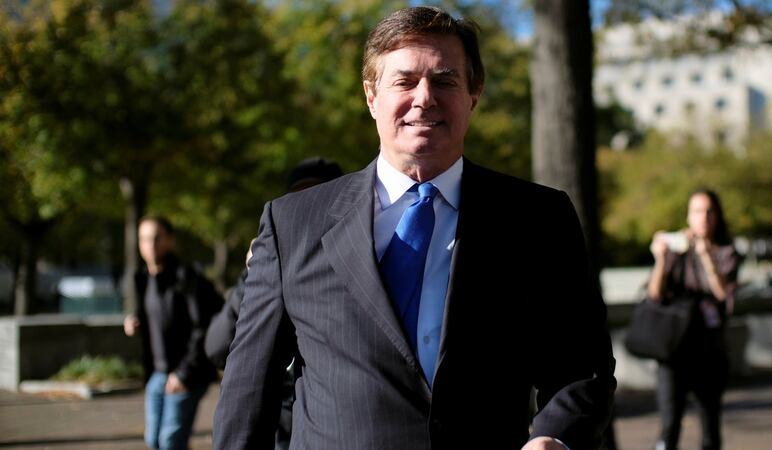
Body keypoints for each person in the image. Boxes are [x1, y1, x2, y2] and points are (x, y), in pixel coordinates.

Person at [213, 6, 615, 450]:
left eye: (444, 81)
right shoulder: (293, 224)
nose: (424, 98)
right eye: (404, 81)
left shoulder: (539, 219)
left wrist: (555, 437)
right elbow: (250, 390)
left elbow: (582, 367)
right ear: (371, 96)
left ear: (473, 96)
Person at [204, 157, 343, 450]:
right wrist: (254, 279)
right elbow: (217, 347)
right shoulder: (274, 252)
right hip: (277, 430)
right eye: (297, 197)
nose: (306, 206)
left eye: (318, 195)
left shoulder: (352, 266)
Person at [646, 188, 740, 450]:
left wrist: (705, 255)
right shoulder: (676, 249)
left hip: (709, 352)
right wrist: (661, 259)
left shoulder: (726, 253)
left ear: (718, 216)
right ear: (688, 216)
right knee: (669, 426)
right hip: (674, 351)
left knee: (710, 427)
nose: (704, 218)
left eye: (709, 211)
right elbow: (655, 294)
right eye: (697, 211)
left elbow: (723, 294)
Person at [124, 216, 223, 450]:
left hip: (186, 373)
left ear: (170, 241)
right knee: (153, 441)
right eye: (144, 239)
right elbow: (144, 311)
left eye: (157, 238)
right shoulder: (141, 278)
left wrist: (183, 373)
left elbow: (204, 328)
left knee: (170, 442)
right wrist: (133, 320)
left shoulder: (187, 278)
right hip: (157, 373)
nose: (150, 244)